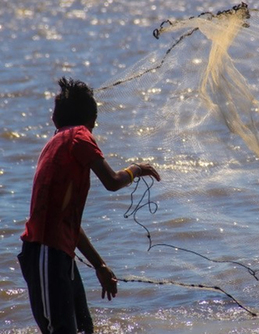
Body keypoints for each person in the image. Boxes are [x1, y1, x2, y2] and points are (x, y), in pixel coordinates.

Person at [17, 77, 161, 334]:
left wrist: (100, 266)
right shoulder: (80, 136)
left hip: (60, 254)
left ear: (54, 119)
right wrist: (136, 169)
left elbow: (67, 224)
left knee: (85, 328)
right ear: (92, 121)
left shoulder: (55, 143)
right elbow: (113, 181)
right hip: (44, 254)